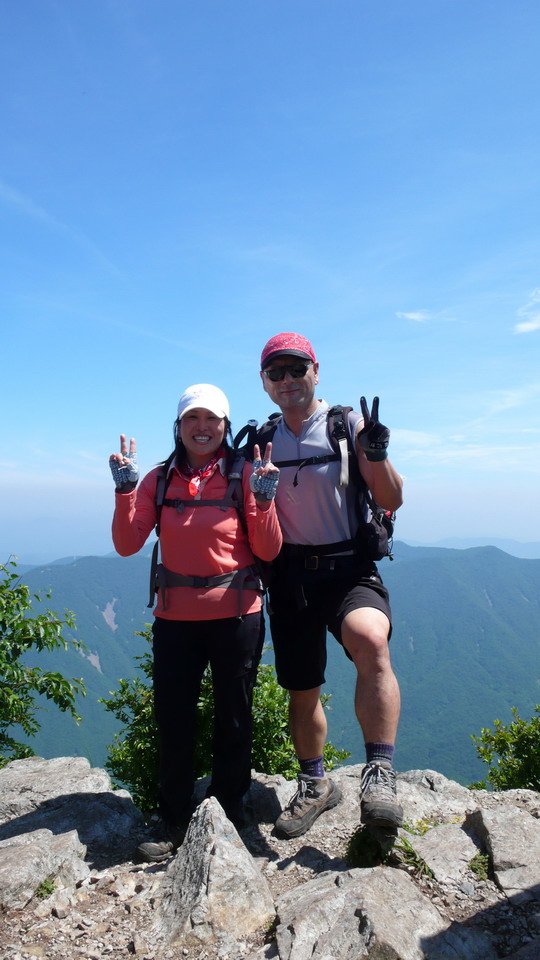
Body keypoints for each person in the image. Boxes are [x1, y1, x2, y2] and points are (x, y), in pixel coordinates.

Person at [109, 383, 282, 862]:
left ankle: (230, 809)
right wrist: (126, 490)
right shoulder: (158, 480)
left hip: (237, 614)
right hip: (176, 619)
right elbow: (127, 542)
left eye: (212, 419)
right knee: (174, 718)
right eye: (192, 419)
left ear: (226, 427)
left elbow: (268, 550)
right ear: (179, 426)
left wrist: (265, 500)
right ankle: (173, 818)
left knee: (234, 716)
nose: (202, 427)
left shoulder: (247, 474)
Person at [257, 333, 404, 838]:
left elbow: (393, 498)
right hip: (292, 577)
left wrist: (377, 452)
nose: (287, 380)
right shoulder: (262, 439)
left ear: (315, 371)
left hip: (348, 569)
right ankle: (315, 783)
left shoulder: (348, 425)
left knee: (371, 640)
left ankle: (380, 775)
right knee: (303, 689)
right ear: (264, 382)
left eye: (296, 368)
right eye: (276, 373)